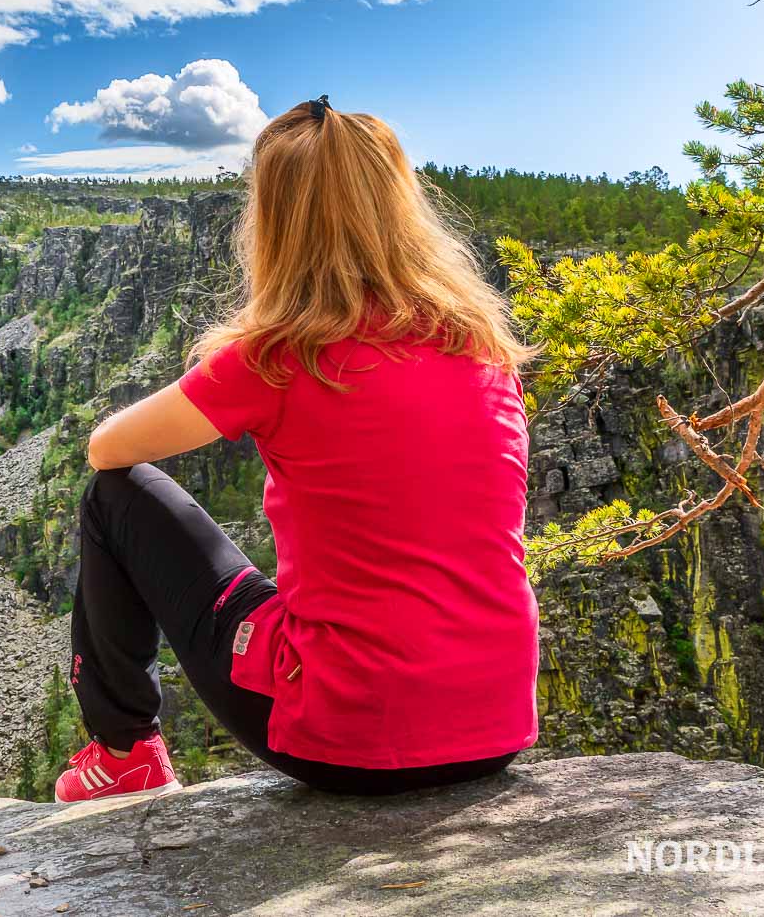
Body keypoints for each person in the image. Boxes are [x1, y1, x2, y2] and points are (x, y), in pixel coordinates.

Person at [53, 97, 538, 804]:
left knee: (114, 498)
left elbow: (108, 450)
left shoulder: (277, 357)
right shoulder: (485, 349)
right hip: (495, 728)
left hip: (350, 738)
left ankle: (125, 751)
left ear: (276, 220)